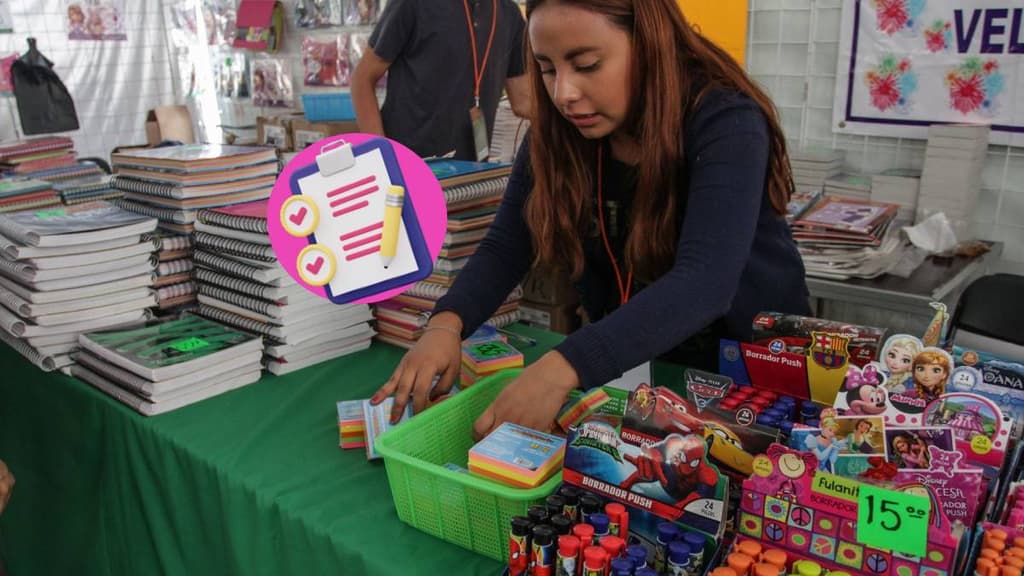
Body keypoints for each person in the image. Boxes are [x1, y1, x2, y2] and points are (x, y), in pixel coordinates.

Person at [372, 0, 810, 438]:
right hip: (636, 370)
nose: (563, 93)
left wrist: (563, 366)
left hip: (753, 382)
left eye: (586, 65)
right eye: (546, 68)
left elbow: (706, 281)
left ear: (649, 43)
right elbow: (508, 244)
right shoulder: (560, 134)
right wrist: (447, 323)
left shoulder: (724, 121)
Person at [351, 0, 532, 160]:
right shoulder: (413, 4)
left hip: (470, 174)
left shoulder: (509, 13)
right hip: (407, 167)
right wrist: (381, 157)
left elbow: (524, 101)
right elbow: (362, 80)